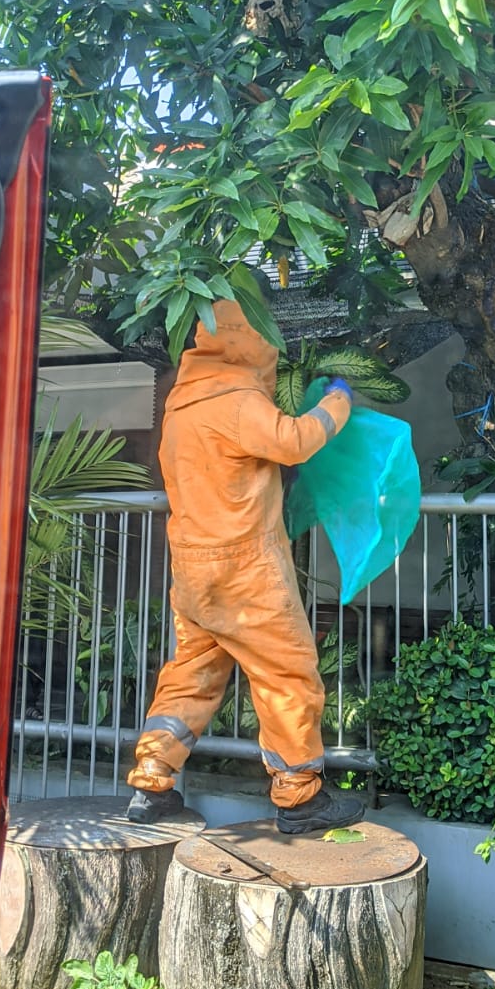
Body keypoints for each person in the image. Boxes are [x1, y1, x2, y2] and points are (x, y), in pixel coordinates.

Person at [126, 299, 366, 835]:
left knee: (191, 675)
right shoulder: (235, 400)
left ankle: (151, 779)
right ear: (252, 338)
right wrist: (337, 401)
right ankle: (299, 796)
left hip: (192, 570)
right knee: (286, 675)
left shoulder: (181, 405)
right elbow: (295, 442)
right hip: (244, 567)